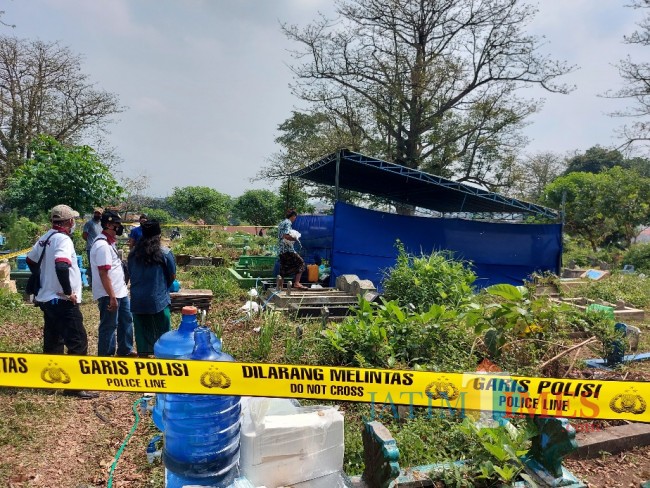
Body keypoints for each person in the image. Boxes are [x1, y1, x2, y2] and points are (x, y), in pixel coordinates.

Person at [26, 204, 99, 399]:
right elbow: (61, 265)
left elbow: (30, 261)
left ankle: (50, 383)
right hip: (62, 300)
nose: (74, 223)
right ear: (69, 222)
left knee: (53, 341)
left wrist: (44, 279)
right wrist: (68, 292)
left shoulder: (45, 238)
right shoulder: (63, 240)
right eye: (73, 220)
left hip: (46, 298)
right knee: (78, 342)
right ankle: (74, 387)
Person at [90, 210, 136, 357]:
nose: (119, 227)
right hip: (109, 294)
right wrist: (111, 297)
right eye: (117, 224)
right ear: (109, 225)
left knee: (126, 321)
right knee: (109, 325)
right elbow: (103, 273)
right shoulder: (102, 245)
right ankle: (106, 357)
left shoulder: (110, 243)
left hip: (120, 291)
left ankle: (125, 350)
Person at [128, 220, 176, 357]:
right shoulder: (165, 253)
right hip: (158, 300)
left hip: (138, 300)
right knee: (163, 332)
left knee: (142, 331)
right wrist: (162, 288)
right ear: (159, 235)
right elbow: (172, 276)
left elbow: (131, 274)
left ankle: (143, 358)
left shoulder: (133, 254)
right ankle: (164, 357)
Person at [277, 209, 306, 289]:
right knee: (301, 263)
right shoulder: (288, 223)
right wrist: (295, 238)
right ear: (293, 216)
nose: (295, 219)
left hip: (281, 250)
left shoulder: (282, 222)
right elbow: (285, 236)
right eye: (295, 217)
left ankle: (280, 287)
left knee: (283, 267)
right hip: (287, 249)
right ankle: (296, 283)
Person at [82, 207, 103, 284]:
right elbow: (84, 235)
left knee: (100, 265)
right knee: (92, 265)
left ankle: (99, 282)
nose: (97, 214)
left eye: (99, 213)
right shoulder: (89, 223)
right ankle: (91, 282)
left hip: (100, 248)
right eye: (96, 213)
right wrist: (91, 242)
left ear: (101, 215)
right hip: (91, 247)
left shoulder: (102, 224)